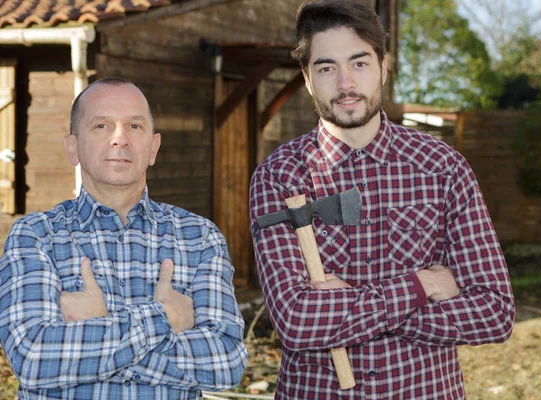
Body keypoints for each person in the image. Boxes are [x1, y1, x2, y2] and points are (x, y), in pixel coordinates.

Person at [249, 1, 515, 398]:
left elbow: (494, 313)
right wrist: (420, 285)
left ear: (383, 67)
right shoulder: (280, 177)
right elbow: (296, 322)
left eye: (359, 63)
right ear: (307, 78)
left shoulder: (442, 168)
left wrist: (351, 309)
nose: (345, 84)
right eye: (326, 68)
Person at [0, 77, 247, 399]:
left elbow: (226, 363)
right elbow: (32, 358)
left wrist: (95, 336)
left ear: (153, 147)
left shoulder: (199, 236)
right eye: (101, 125)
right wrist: (164, 317)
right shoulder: (34, 235)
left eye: (134, 126)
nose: (120, 139)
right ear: (72, 147)